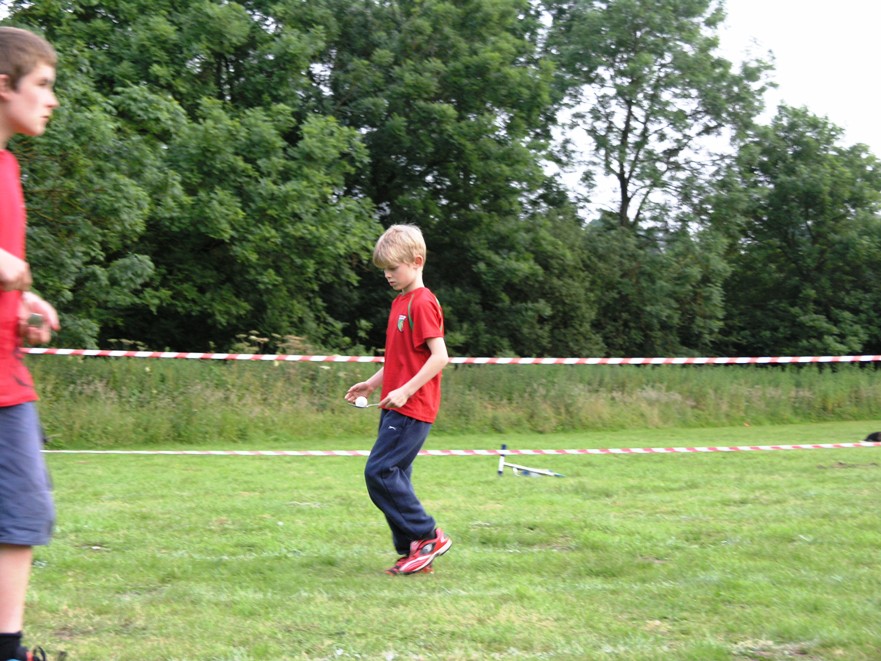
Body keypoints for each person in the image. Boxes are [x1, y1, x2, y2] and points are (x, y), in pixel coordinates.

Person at [0, 26, 63, 661]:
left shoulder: (9, 168)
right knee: (21, 511)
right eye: (41, 85)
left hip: (7, 376)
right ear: (2, 87)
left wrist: (24, 303)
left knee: (22, 513)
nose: (51, 99)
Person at [346, 224, 452, 575]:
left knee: (379, 471)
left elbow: (439, 357)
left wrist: (406, 390)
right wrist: (371, 384)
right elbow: (399, 359)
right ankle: (414, 552)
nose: (388, 275)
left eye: (393, 268)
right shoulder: (400, 303)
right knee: (396, 477)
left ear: (417, 262)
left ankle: (428, 536)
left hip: (412, 407)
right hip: (395, 405)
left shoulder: (422, 302)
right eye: (384, 269)